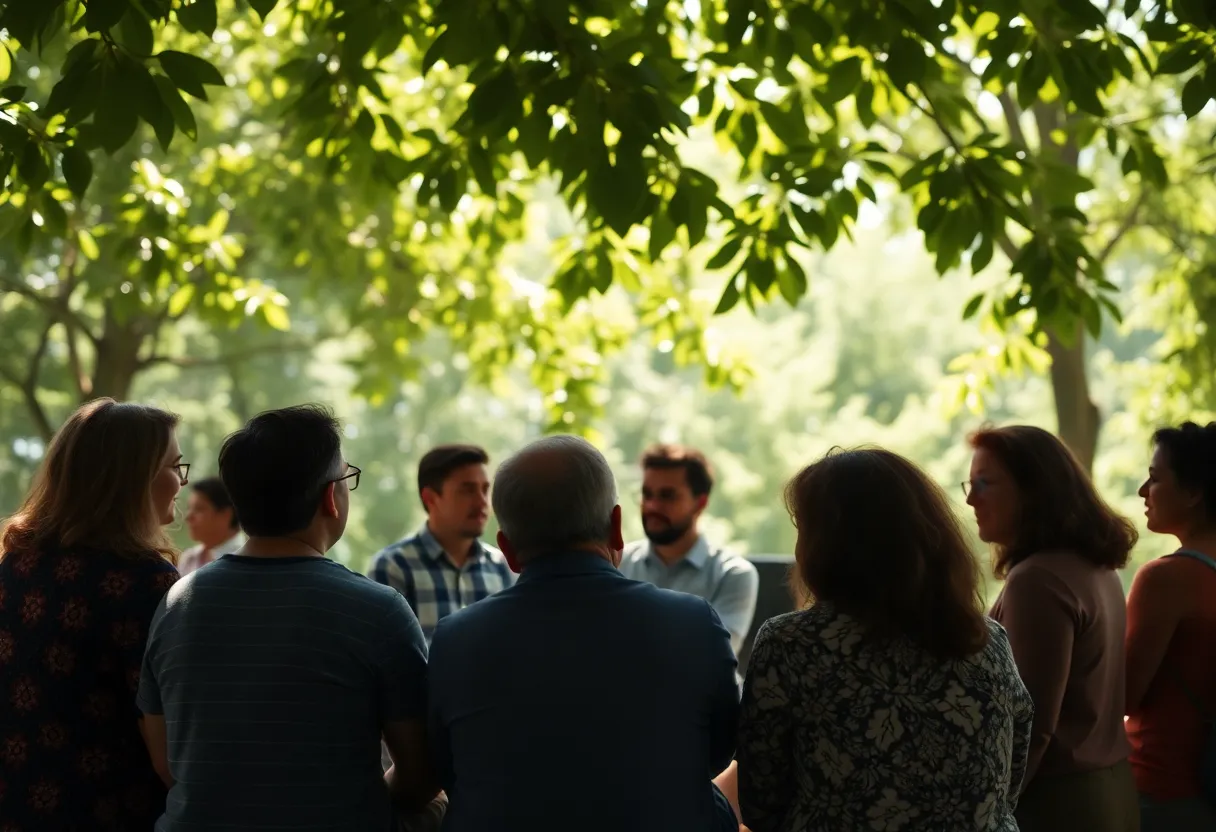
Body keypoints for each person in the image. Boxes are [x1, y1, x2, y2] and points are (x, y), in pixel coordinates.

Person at [136, 405, 440, 831]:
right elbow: (420, 774)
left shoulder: (176, 604)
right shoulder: (378, 610)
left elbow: (167, 762)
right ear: (330, 498)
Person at [427, 435, 741, 832]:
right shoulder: (694, 623)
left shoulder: (454, 639)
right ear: (616, 528)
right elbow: (714, 755)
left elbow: (447, 770)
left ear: (507, 549)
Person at [738, 448, 1032, 832]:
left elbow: (761, 802)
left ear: (827, 544)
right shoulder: (987, 640)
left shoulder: (789, 645)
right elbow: (1008, 783)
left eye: (803, 529)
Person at [0, 399, 184, 831]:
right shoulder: (146, 582)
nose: (181, 483)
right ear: (134, 477)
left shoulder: (17, 564)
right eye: (176, 466)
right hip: (108, 811)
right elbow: (168, 755)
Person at [967, 425, 1140, 832]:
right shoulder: (1097, 567)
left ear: (1034, 490)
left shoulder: (1037, 579)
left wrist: (993, 811)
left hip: (1058, 801)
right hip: (1111, 787)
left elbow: (1034, 725)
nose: (971, 498)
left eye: (984, 483)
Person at [1125, 421, 1216, 829]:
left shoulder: (1166, 578)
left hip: (1165, 790)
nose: (1144, 492)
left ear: (1194, 492)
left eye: (1155, 478)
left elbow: (1125, 695)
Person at [619, 443, 759, 655]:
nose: (652, 506)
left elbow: (716, 656)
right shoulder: (618, 563)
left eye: (667, 495)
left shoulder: (732, 574)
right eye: (647, 494)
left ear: (700, 503)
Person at [369, 444, 513, 643]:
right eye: (467, 490)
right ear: (431, 498)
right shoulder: (394, 567)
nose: (482, 502)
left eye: (485, 489)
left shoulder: (501, 567)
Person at [178, 476, 243, 575]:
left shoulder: (245, 560)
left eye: (199, 509)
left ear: (225, 514)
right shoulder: (189, 558)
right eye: (189, 508)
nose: (188, 517)